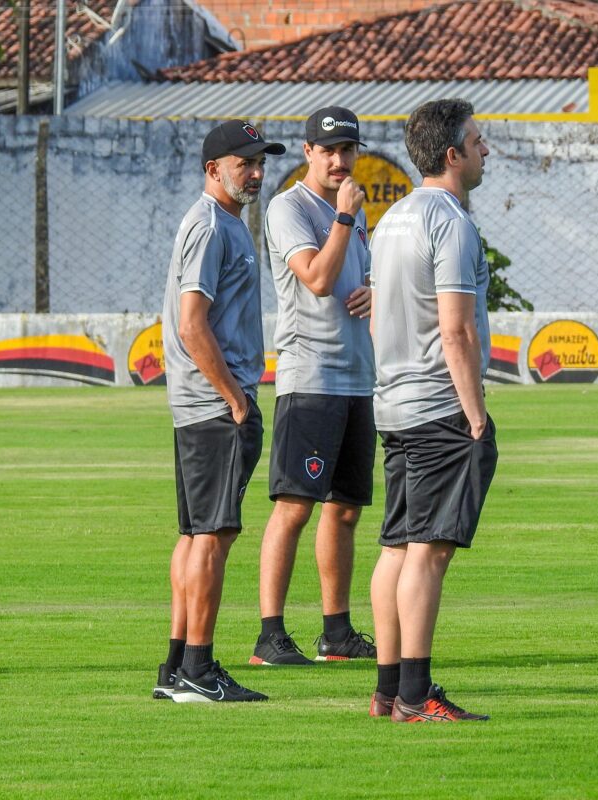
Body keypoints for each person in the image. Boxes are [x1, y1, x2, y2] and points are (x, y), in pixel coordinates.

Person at [367, 99, 498, 721]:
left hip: (392, 403)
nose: (485, 149)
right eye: (477, 141)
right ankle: (417, 696)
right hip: (437, 406)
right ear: (451, 154)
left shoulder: (392, 217)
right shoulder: (451, 221)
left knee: (396, 546)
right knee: (429, 550)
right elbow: (457, 332)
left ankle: (388, 691)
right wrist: (474, 415)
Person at [154, 120, 286, 703]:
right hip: (215, 406)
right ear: (213, 168)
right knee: (212, 536)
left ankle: (179, 664)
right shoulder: (209, 225)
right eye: (244, 162)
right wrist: (234, 398)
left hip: (205, 406)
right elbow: (191, 323)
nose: (256, 172)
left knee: (196, 537)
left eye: (260, 162)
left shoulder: (225, 223)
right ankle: (198, 670)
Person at [250, 107, 377, 667]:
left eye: (347, 149)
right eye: (327, 150)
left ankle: (336, 632)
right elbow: (319, 279)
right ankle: (269, 635)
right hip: (310, 376)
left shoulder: (353, 211)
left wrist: (375, 289)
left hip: (357, 376)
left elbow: (358, 278)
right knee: (294, 507)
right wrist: (344, 221)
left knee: (345, 509)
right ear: (307, 152)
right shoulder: (288, 207)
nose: (338, 160)